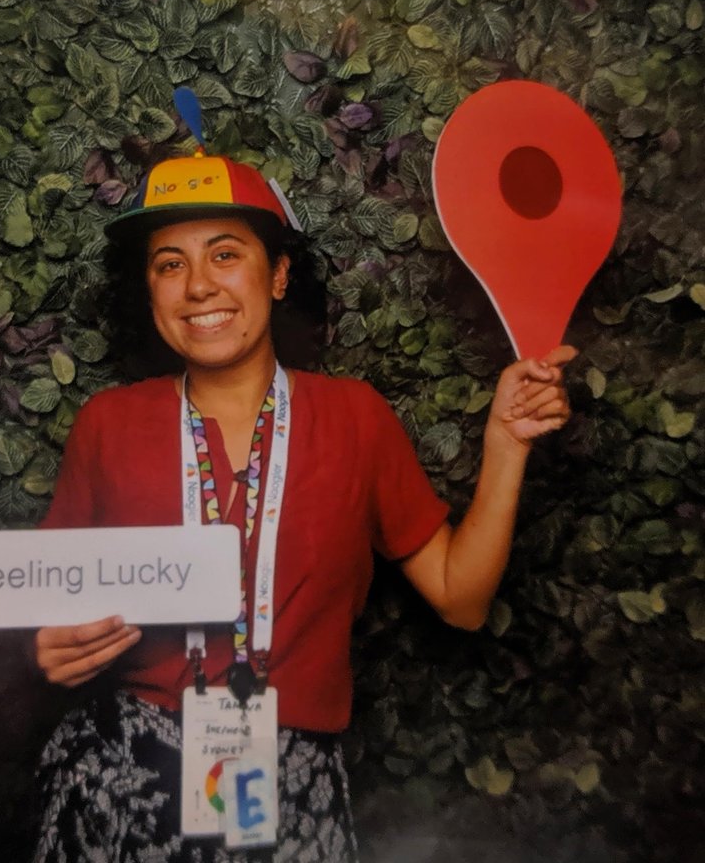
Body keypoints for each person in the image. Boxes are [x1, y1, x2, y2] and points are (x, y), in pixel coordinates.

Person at [31, 149, 574, 862]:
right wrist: (48, 646)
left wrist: (505, 445)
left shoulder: (356, 418)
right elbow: (44, 602)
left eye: (226, 254)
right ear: (150, 287)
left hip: (289, 785)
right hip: (117, 780)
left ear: (278, 274)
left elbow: (461, 598)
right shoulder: (107, 422)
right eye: (169, 263)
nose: (197, 286)